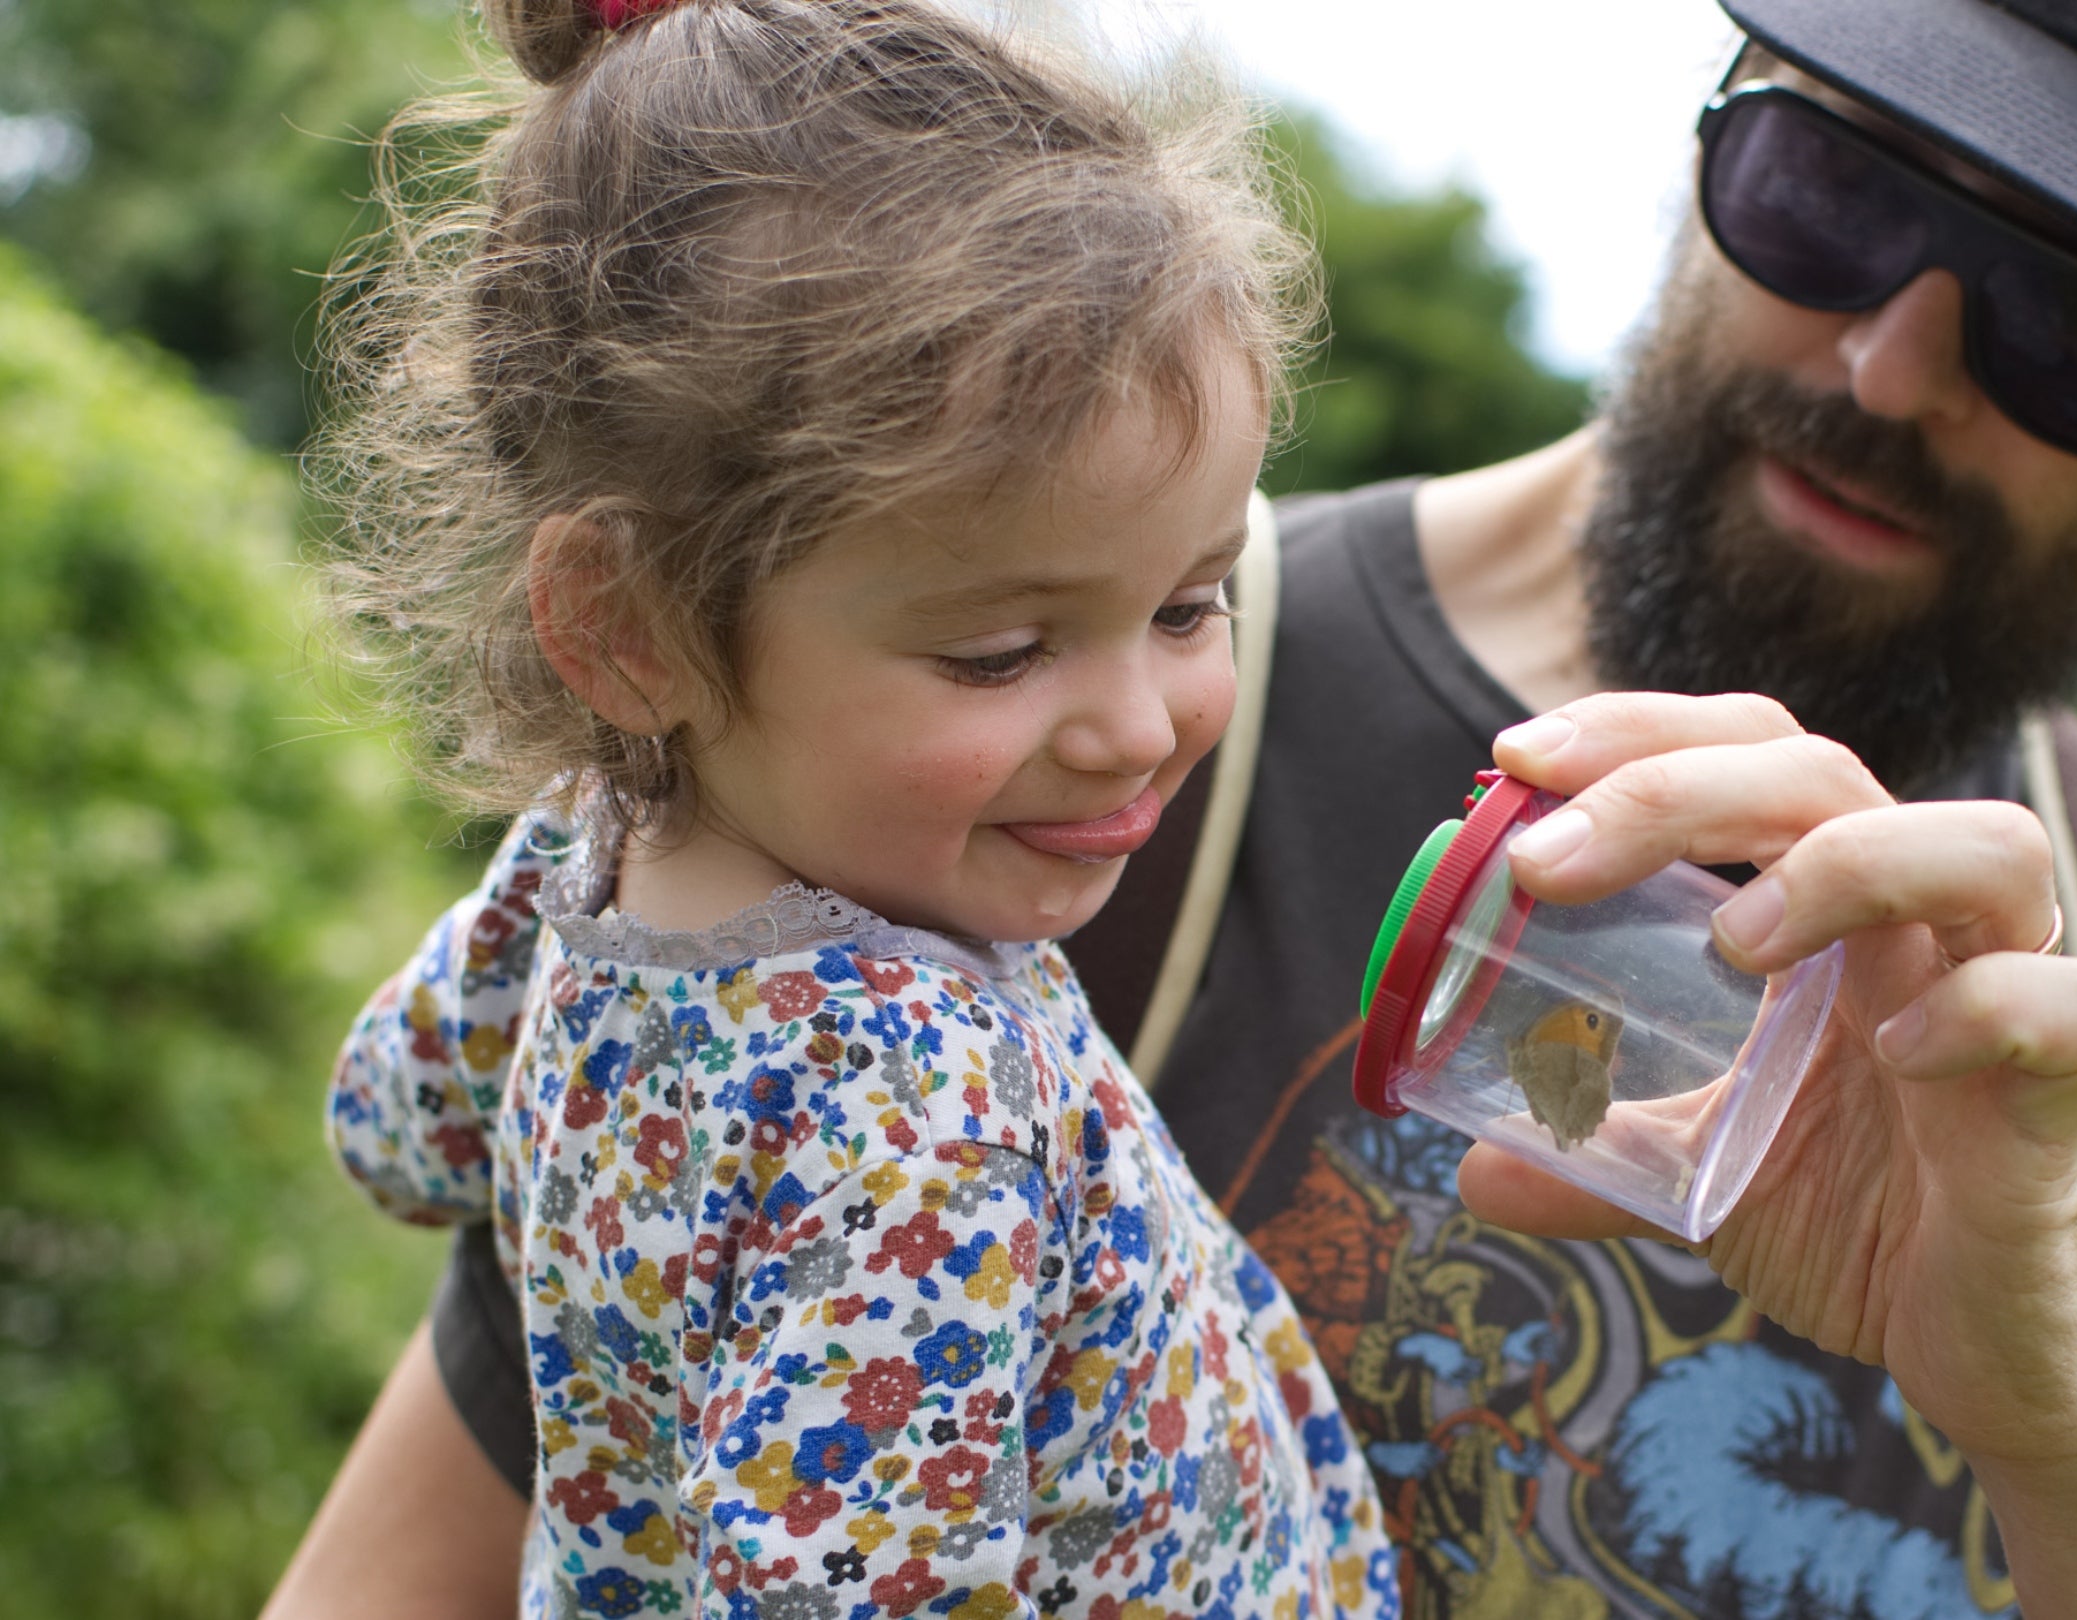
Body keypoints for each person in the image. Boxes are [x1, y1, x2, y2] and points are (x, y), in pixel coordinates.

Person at [266, 0, 2077, 1616]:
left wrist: (2071, 1384)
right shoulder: (948, 784)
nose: (1885, 361)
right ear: (1707, 117)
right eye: (1830, 188)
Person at [302, 0, 1403, 1613]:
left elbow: (393, 1129)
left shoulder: (577, 858)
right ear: (625, 626)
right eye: (1002, 650)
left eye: (1190, 604)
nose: (1136, 724)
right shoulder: (909, 1101)